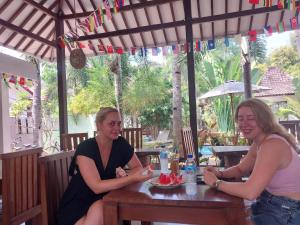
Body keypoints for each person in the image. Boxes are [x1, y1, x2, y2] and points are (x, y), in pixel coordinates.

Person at [203, 98, 300, 225]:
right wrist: (220, 174)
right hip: (270, 202)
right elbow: (240, 169)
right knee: (226, 217)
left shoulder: (272, 145)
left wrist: (216, 183)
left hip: (286, 211)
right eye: (240, 119)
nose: (244, 124)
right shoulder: (260, 142)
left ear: (264, 120)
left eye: (251, 118)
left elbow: (250, 192)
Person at [57, 107, 152, 225]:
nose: (117, 128)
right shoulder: (86, 148)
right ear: (99, 125)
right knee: (103, 208)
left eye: (119, 124)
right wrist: (130, 178)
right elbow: (96, 186)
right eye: (112, 124)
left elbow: (137, 168)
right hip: (79, 201)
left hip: (107, 197)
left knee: (105, 207)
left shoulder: (120, 143)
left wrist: (124, 175)